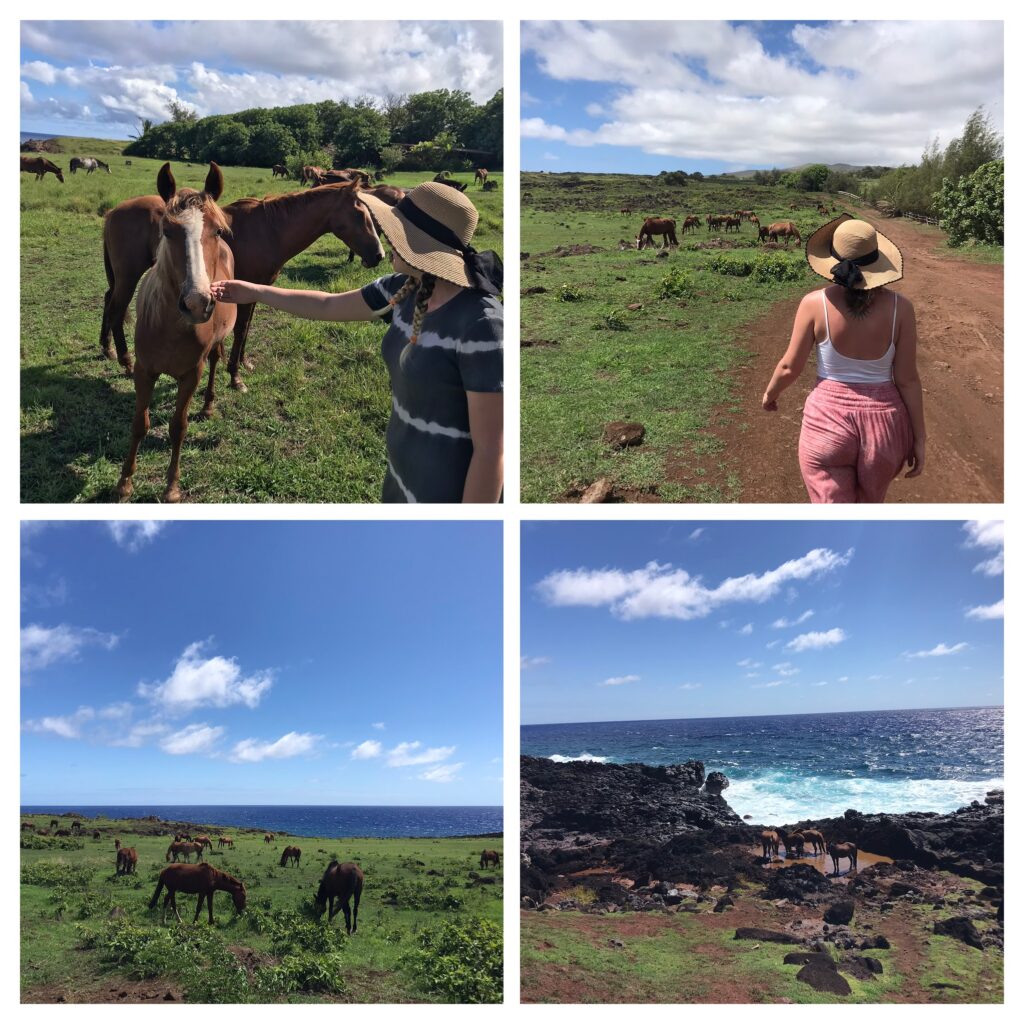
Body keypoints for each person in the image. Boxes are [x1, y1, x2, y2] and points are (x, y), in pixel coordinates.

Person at [210, 182, 503, 503]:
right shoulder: (404, 290)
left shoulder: (481, 325)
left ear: (423, 247)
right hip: (401, 480)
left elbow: (490, 453)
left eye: (397, 232)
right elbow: (327, 305)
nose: (386, 237)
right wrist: (253, 291)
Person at [761, 215, 925, 503]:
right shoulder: (902, 309)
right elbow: (908, 380)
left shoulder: (814, 303)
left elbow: (789, 367)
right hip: (884, 428)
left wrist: (770, 395)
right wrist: (919, 438)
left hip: (827, 423)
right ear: (878, 263)